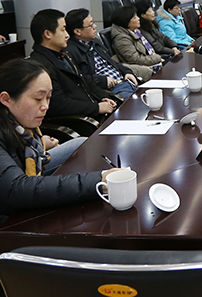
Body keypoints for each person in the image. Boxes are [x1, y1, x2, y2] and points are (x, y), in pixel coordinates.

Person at [0, 58, 122, 217]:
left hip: (24, 175)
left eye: (48, 97)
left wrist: (41, 144)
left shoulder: (20, 123)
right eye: (38, 99)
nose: (45, 106)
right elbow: (17, 189)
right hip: (8, 207)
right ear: (6, 99)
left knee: (80, 144)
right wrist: (97, 181)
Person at [29, 9, 117, 120]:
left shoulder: (62, 54)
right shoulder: (39, 65)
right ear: (48, 34)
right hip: (79, 120)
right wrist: (96, 108)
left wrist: (103, 97)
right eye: (63, 30)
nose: (67, 35)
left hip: (91, 111)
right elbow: (57, 104)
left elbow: (83, 81)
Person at [65, 9, 138, 100]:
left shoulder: (95, 42)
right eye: (91, 25)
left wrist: (127, 72)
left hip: (126, 82)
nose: (95, 26)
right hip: (111, 91)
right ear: (78, 31)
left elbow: (112, 62)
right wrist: (102, 80)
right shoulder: (70, 51)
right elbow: (78, 80)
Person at [111, 6, 164, 71]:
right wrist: (157, 58)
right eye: (134, 17)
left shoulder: (136, 32)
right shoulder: (122, 39)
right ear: (126, 22)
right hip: (142, 68)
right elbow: (135, 59)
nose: (138, 18)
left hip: (150, 60)